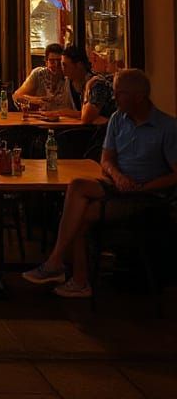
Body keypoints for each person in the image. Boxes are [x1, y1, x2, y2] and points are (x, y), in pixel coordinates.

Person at [22, 69, 177, 298]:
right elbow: (106, 159)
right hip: (116, 185)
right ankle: (59, 265)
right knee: (76, 185)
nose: (114, 99)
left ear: (139, 96)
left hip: (147, 197)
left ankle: (76, 278)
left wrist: (144, 187)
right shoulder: (117, 119)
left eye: (119, 93)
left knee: (81, 216)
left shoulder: (167, 127)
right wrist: (118, 176)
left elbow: (175, 175)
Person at [50, 46, 115, 124]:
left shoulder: (96, 83)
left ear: (79, 65)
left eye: (65, 65)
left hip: (101, 132)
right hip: (82, 129)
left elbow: (86, 118)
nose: (62, 68)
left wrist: (88, 87)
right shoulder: (68, 82)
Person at [13, 44, 74, 111]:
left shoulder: (69, 77)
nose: (56, 65)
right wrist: (37, 100)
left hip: (64, 119)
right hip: (40, 118)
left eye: (59, 61)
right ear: (46, 62)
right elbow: (17, 96)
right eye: (52, 61)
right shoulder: (39, 74)